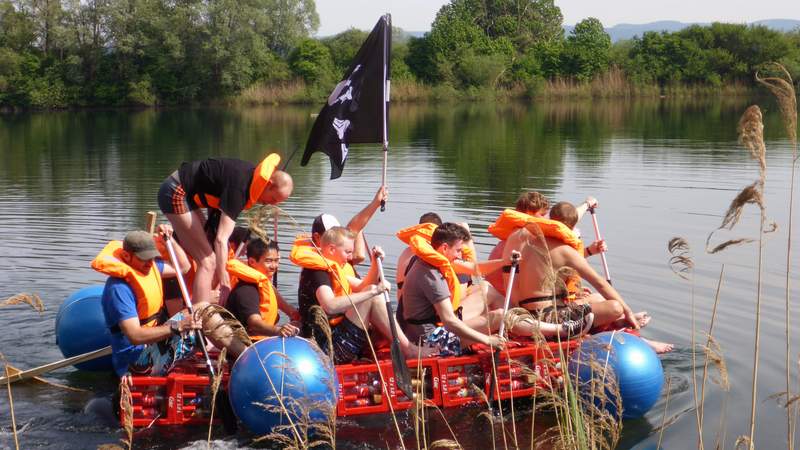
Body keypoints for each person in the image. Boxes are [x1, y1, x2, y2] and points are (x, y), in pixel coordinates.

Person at [502, 201, 673, 353]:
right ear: (569, 229)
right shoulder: (564, 251)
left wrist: (586, 204)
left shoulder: (518, 238)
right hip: (551, 318)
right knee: (614, 307)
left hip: (525, 313)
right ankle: (628, 329)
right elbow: (601, 284)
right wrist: (626, 311)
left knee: (596, 298)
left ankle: (619, 323)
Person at [399, 223, 593, 356]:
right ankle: (560, 330)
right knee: (498, 316)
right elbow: (449, 322)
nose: (460, 255)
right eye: (458, 250)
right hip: (431, 341)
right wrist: (486, 340)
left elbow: (475, 269)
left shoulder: (429, 260)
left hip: (429, 328)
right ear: (443, 248)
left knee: (485, 287)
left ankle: (527, 324)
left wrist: (505, 262)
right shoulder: (431, 274)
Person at [92, 228, 249, 382]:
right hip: (137, 363)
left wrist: (170, 240)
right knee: (201, 311)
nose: (150, 263)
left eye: (152, 258)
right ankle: (248, 356)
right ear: (126, 256)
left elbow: (183, 267)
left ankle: (245, 354)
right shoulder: (119, 289)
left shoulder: (149, 268)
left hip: (152, 347)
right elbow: (135, 336)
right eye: (144, 258)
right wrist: (177, 326)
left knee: (202, 308)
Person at [157, 154, 293, 306]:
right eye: (273, 199)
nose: (270, 204)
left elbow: (214, 198)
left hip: (187, 194)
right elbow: (221, 239)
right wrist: (224, 280)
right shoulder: (240, 189)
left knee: (210, 250)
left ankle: (205, 301)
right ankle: (199, 317)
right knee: (208, 261)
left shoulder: (249, 179)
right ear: (269, 184)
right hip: (175, 191)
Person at [295, 226, 430, 364]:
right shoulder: (318, 273)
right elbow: (329, 306)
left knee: (373, 294)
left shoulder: (331, 269)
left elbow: (362, 286)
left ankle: (402, 347)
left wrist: (376, 264)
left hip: (334, 338)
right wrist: (374, 291)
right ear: (331, 249)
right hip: (326, 349)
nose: (349, 258)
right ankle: (409, 350)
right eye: (347, 252)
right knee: (373, 294)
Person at [226, 238, 300, 340]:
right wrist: (278, 330)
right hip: (250, 344)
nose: (274, 266)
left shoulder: (264, 284)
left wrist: (296, 316)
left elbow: (282, 303)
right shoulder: (247, 290)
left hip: (264, 339)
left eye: (276, 261)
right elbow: (254, 324)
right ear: (252, 262)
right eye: (268, 261)